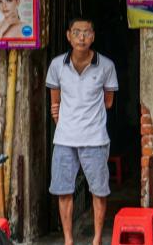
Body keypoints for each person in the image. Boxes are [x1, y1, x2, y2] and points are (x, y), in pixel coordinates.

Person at [46, 18, 118, 245]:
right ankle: (68, 240)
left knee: (99, 190)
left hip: (95, 138)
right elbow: (54, 104)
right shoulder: (57, 65)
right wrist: (66, 123)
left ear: (93, 36)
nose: (81, 37)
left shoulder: (106, 66)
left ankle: (96, 240)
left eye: (86, 32)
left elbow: (108, 102)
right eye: (76, 32)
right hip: (65, 139)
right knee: (63, 190)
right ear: (68, 35)